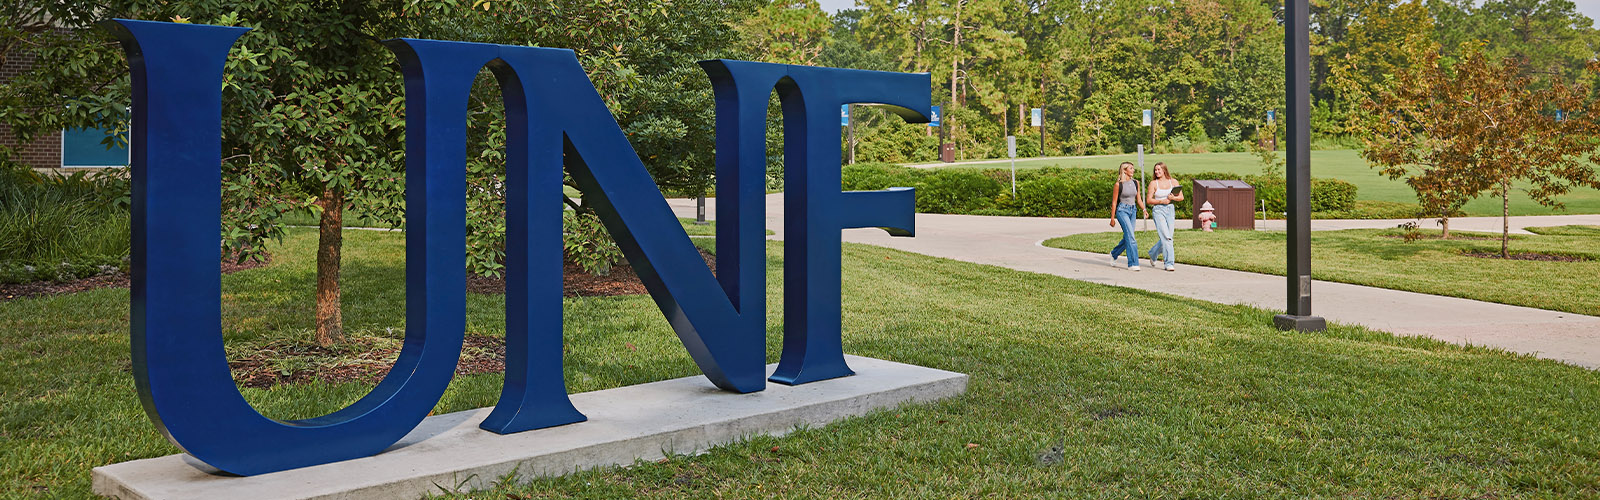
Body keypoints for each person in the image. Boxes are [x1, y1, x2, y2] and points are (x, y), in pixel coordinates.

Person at [1108, 162, 1147, 270]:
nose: (1133, 170)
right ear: (1125, 170)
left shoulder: (1136, 183)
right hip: (1122, 211)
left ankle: (1114, 253)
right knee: (1131, 237)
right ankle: (1133, 263)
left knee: (1128, 237)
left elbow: (1138, 198)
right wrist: (1112, 218)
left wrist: (1144, 209)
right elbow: (1114, 202)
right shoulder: (1118, 185)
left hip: (1133, 210)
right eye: (1131, 168)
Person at [1145, 162, 1183, 271]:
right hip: (1158, 210)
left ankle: (1153, 253)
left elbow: (1181, 197)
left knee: (1168, 237)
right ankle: (1169, 263)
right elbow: (1149, 200)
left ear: (1164, 170)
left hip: (1170, 210)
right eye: (1155, 170)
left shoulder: (1174, 182)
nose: (1156, 172)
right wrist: (1161, 201)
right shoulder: (1153, 183)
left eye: (1159, 169)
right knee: (1167, 237)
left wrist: (1172, 198)